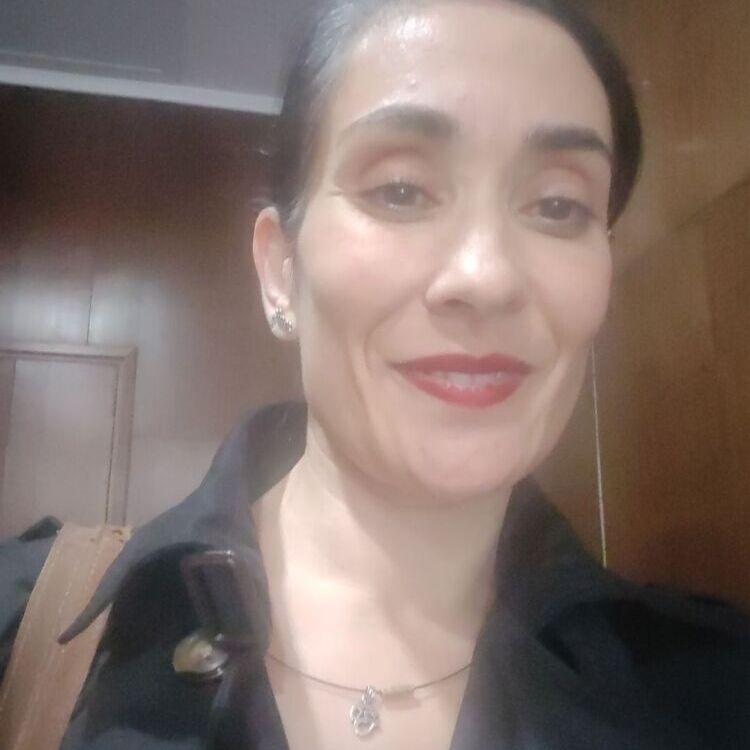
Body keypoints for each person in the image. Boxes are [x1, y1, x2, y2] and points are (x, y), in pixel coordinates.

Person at [2, 0, 749, 748]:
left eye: (558, 205)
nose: (487, 276)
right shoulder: (26, 626)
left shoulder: (710, 697)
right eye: (400, 190)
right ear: (281, 270)